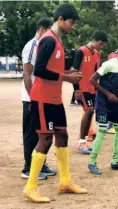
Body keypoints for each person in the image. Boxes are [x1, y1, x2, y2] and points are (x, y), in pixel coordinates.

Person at [23, 4, 87, 203]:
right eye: (71, 22)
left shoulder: (57, 41)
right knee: (46, 140)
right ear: (60, 19)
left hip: (55, 99)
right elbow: (39, 70)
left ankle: (65, 182)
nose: (73, 26)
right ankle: (30, 187)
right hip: (42, 98)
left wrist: (66, 74)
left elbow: (52, 69)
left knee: (62, 135)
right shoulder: (49, 40)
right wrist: (66, 78)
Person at [87, 41, 118, 175]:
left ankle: (115, 161)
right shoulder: (109, 64)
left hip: (114, 105)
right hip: (103, 103)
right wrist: (108, 94)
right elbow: (92, 80)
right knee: (103, 130)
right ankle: (92, 162)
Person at [21, 17, 55, 181]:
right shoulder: (32, 46)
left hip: (43, 96)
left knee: (43, 132)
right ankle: (28, 168)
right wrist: (32, 97)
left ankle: (41, 164)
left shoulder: (42, 47)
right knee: (31, 133)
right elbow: (27, 74)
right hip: (31, 98)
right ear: (43, 30)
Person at [73, 30, 108, 154]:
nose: (101, 46)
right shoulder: (80, 51)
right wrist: (76, 90)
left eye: (103, 45)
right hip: (82, 88)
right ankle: (81, 142)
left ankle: (84, 140)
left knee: (90, 112)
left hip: (92, 88)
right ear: (93, 40)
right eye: (100, 43)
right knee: (89, 111)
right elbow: (74, 71)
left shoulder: (96, 54)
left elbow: (96, 71)